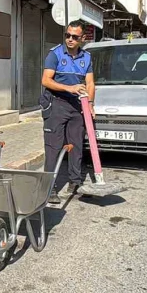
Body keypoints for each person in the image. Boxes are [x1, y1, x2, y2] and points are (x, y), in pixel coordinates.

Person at [39, 20, 96, 204]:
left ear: (82, 38)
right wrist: (69, 88)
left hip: (77, 106)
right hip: (56, 104)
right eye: (67, 35)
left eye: (75, 37)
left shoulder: (86, 57)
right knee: (53, 147)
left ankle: (75, 182)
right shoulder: (55, 54)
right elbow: (46, 80)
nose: (70, 39)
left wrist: (90, 104)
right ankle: (50, 188)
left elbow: (90, 83)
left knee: (76, 145)